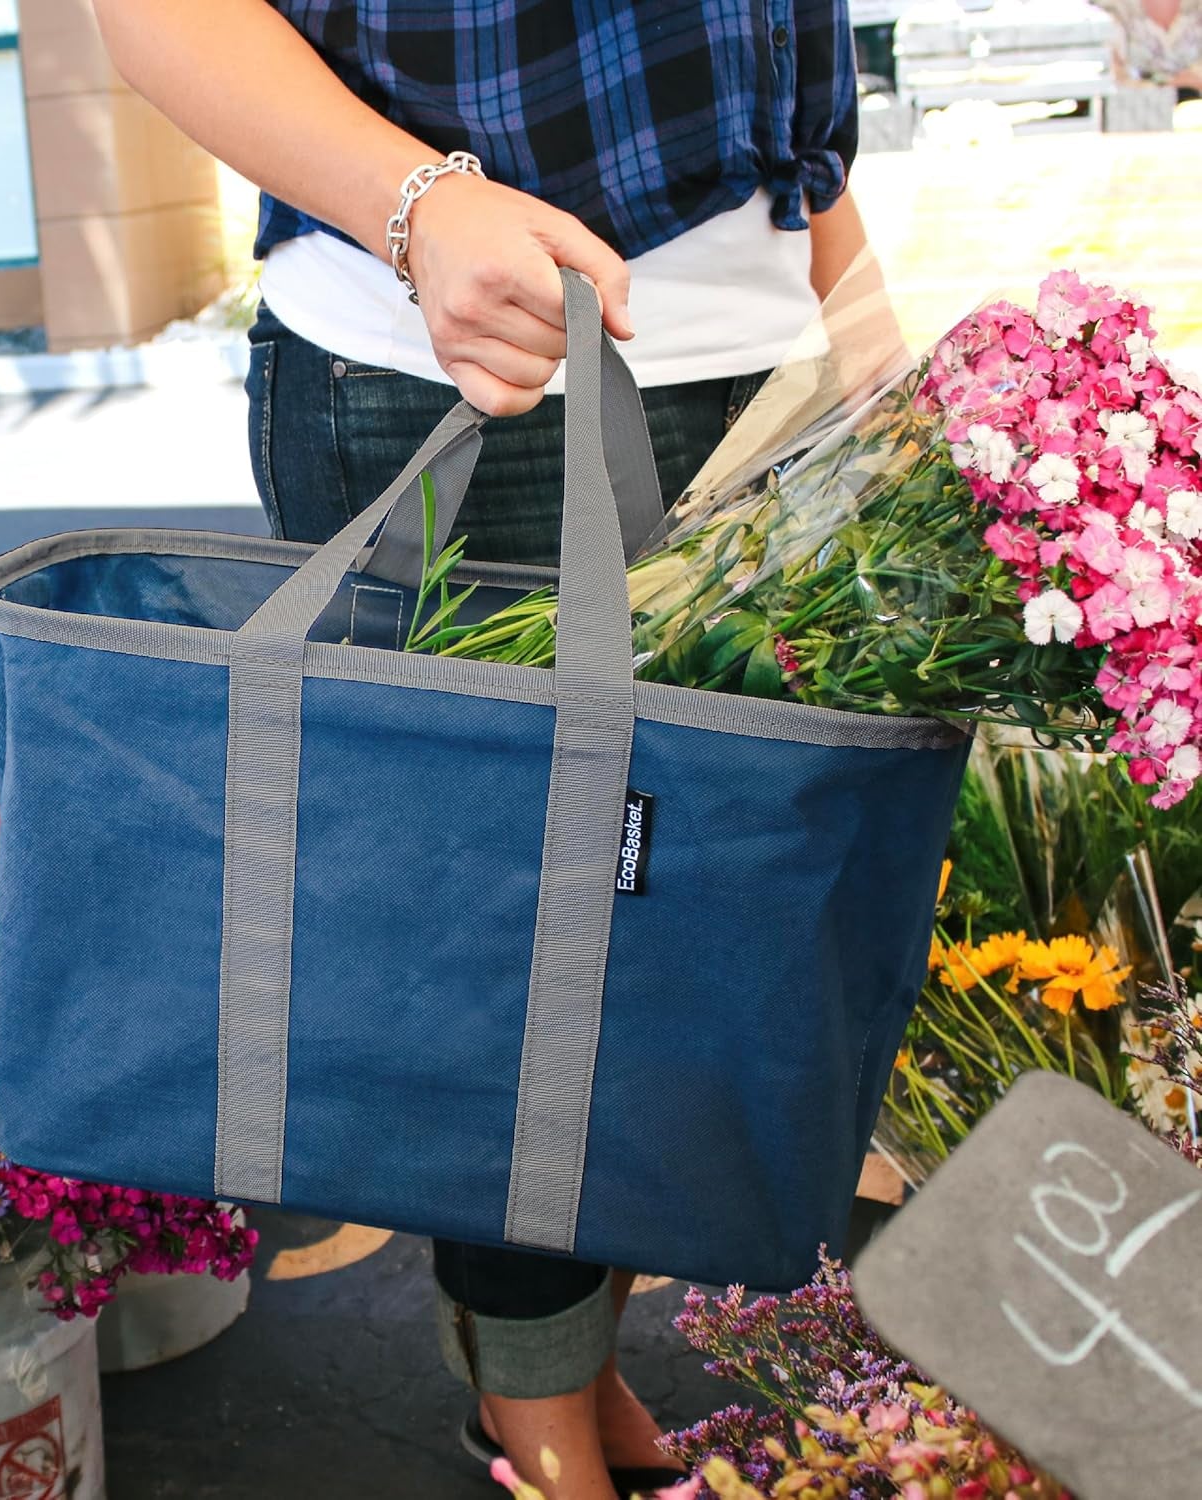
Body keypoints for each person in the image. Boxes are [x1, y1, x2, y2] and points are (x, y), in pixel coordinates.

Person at [92, 3, 871, 1496]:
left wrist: (840, 264)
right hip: (452, 359)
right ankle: (535, 1408)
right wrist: (425, 207)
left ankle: (568, 1371)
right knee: (502, 956)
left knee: (664, 944)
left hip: (759, 363)